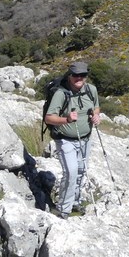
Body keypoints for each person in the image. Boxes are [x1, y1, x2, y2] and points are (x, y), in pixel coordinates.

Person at [44, 61, 101, 218]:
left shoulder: (91, 90)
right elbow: (49, 118)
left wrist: (95, 115)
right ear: (69, 76)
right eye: (76, 75)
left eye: (82, 75)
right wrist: (67, 120)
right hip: (65, 140)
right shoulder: (61, 94)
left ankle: (75, 202)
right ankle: (63, 209)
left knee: (81, 170)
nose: (79, 78)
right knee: (71, 172)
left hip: (85, 139)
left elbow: (96, 107)